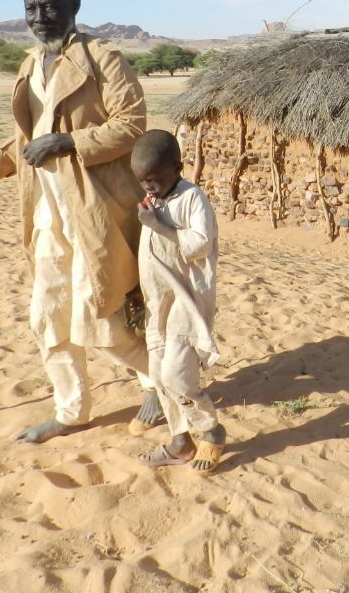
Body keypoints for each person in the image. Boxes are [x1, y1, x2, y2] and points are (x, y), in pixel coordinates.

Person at [0, 0, 164, 443]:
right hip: (45, 211)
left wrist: (68, 142)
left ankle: (157, 383)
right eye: (31, 8)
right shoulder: (29, 65)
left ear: (74, 9)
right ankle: (71, 412)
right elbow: (28, 139)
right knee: (49, 313)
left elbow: (131, 126)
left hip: (94, 207)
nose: (40, 17)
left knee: (101, 312)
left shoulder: (104, 59)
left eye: (50, 7)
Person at [130, 129, 226, 474]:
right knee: (157, 374)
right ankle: (180, 441)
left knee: (177, 374)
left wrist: (160, 225)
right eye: (142, 181)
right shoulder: (152, 201)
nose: (148, 187)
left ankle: (211, 433)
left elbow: (200, 243)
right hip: (159, 305)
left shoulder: (192, 198)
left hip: (187, 302)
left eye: (154, 179)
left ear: (178, 167)